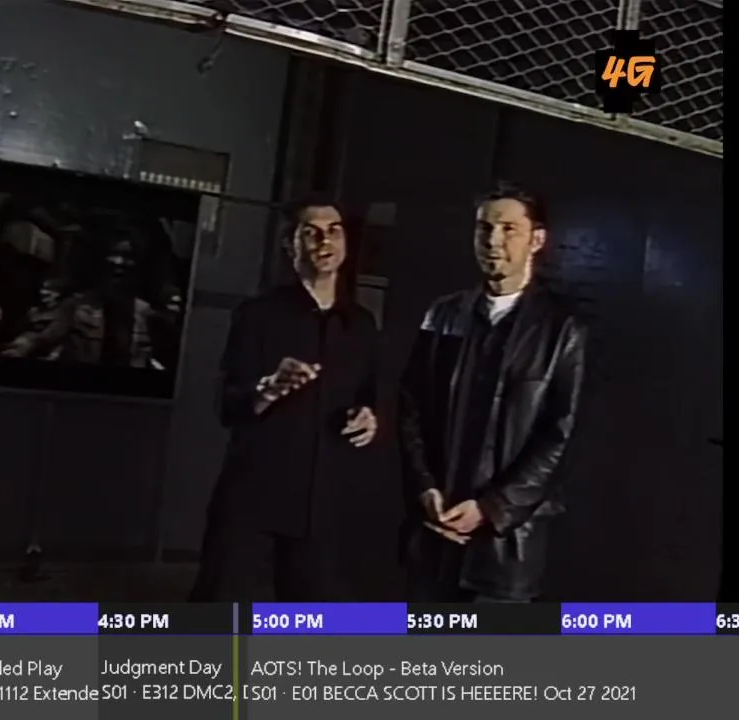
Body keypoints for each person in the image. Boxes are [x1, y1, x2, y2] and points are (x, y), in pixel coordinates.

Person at [399, 182, 587, 603]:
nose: (493, 241)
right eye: (484, 228)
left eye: (508, 229)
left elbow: (562, 436)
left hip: (506, 550)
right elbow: (411, 409)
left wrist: (491, 508)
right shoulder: (444, 315)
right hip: (434, 537)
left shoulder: (563, 331)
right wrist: (424, 487)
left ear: (537, 240)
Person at [191, 196, 380, 601]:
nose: (324, 241)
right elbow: (226, 404)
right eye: (311, 233)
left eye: (334, 231)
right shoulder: (257, 315)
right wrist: (269, 388)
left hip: (323, 507)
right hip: (253, 501)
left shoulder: (361, 326)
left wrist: (369, 416)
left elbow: (369, 395)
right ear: (289, 245)